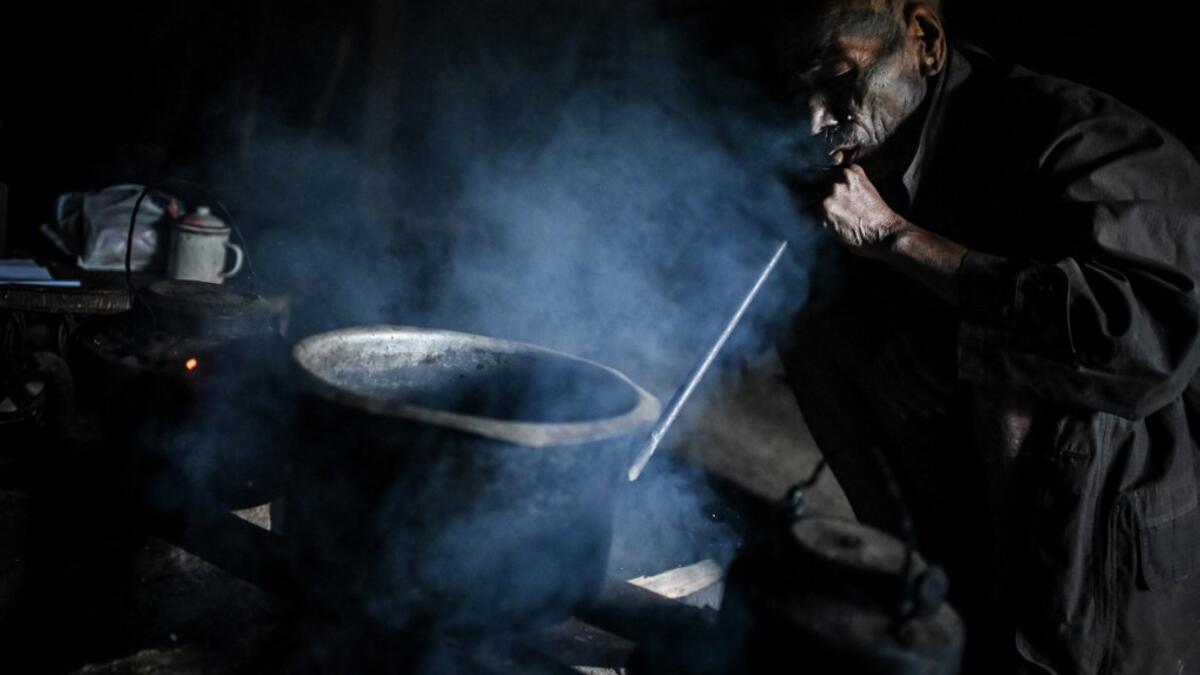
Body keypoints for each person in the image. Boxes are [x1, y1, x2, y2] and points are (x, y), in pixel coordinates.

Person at [771, 1, 1200, 673]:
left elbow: (1144, 346)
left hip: (1118, 523)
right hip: (976, 471)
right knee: (809, 322)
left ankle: (1025, 646)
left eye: (839, 77)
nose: (815, 121)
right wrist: (891, 336)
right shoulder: (881, 142)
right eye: (802, 88)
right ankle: (930, 593)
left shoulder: (1075, 138)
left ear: (926, 44)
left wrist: (896, 239)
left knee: (1012, 363)